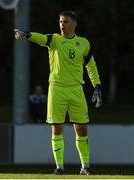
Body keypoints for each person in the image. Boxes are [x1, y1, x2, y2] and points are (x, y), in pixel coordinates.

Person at [14, 11, 102, 175]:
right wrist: (27, 35)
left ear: (75, 24)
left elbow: (91, 66)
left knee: (81, 128)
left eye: (66, 22)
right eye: (61, 21)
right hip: (57, 89)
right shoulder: (54, 39)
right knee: (57, 128)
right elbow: (41, 38)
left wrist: (97, 86)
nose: (62, 24)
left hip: (76, 89)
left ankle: (85, 166)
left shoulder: (83, 43)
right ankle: (59, 167)